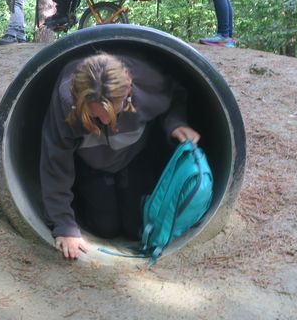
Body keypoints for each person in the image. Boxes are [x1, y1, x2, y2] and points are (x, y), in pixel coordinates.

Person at [39, 52, 201, 260]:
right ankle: (95, 190)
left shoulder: (148, 82)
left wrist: (176, 123)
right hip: (92, 165)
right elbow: (55, 160)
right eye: (95, 116)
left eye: (115, 111)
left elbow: (175, 94)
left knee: (137, 228)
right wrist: (64, 224)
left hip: (134, 157)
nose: (105, 122)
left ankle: (125, 184)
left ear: (129, 89)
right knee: (105, 228)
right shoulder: (66, 98)